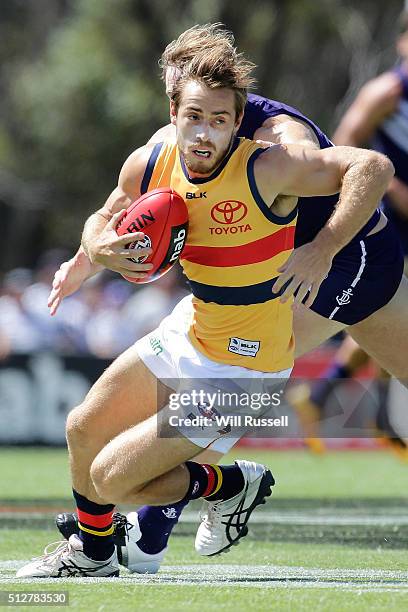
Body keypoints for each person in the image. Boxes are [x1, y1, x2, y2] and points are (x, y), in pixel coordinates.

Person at [16, 32, 392, 578]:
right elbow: (106, 214)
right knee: (81, 429)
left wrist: (322, 248)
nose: (204, 131)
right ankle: (94, 555)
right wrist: (91, 251)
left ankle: (233, 483)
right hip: (191, 330)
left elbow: (373, 167)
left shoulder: (270, 166)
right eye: (193, 116)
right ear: (174, 113)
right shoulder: (151, 161)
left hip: (248, 372)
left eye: (220, 119)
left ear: (237, 123)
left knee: (111, 478)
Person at [291, 11, 408, 457]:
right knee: (377, 309)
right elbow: (342, 149)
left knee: (383, 315)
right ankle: (360, 409)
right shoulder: (388, 92)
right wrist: (393, 188)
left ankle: (330, 399)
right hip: (383, 222)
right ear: (402, 44)